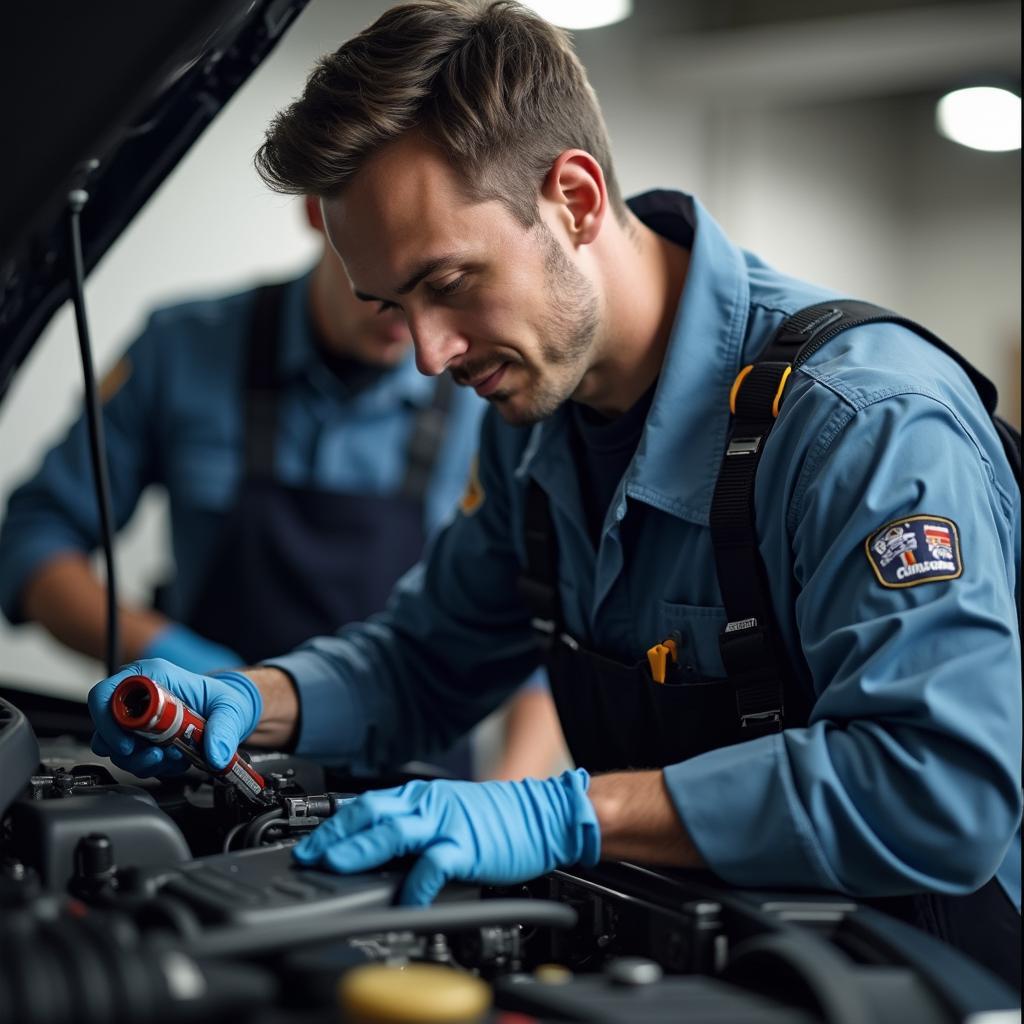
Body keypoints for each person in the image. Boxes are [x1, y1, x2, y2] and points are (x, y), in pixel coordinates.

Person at [86, 0, 1020, 985]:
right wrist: (244, 700)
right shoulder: (536, 431)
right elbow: (422, 663)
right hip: (718, 967)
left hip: (930, 978)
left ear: (573, 198)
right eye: (392, 305)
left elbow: (937, 792)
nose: (428, 354)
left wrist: (564, 809)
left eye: (448, 282)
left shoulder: (858, 422)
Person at [0, 192, 566, 780]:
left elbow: (536, 634)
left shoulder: (495, 400)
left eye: (444, 284)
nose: (422, 334)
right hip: (208, 769)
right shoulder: (183, 348)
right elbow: (33, 540)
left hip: (415, 788)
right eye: (386, 285)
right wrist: (156, 647)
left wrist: (504, 802)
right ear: (322, 212)